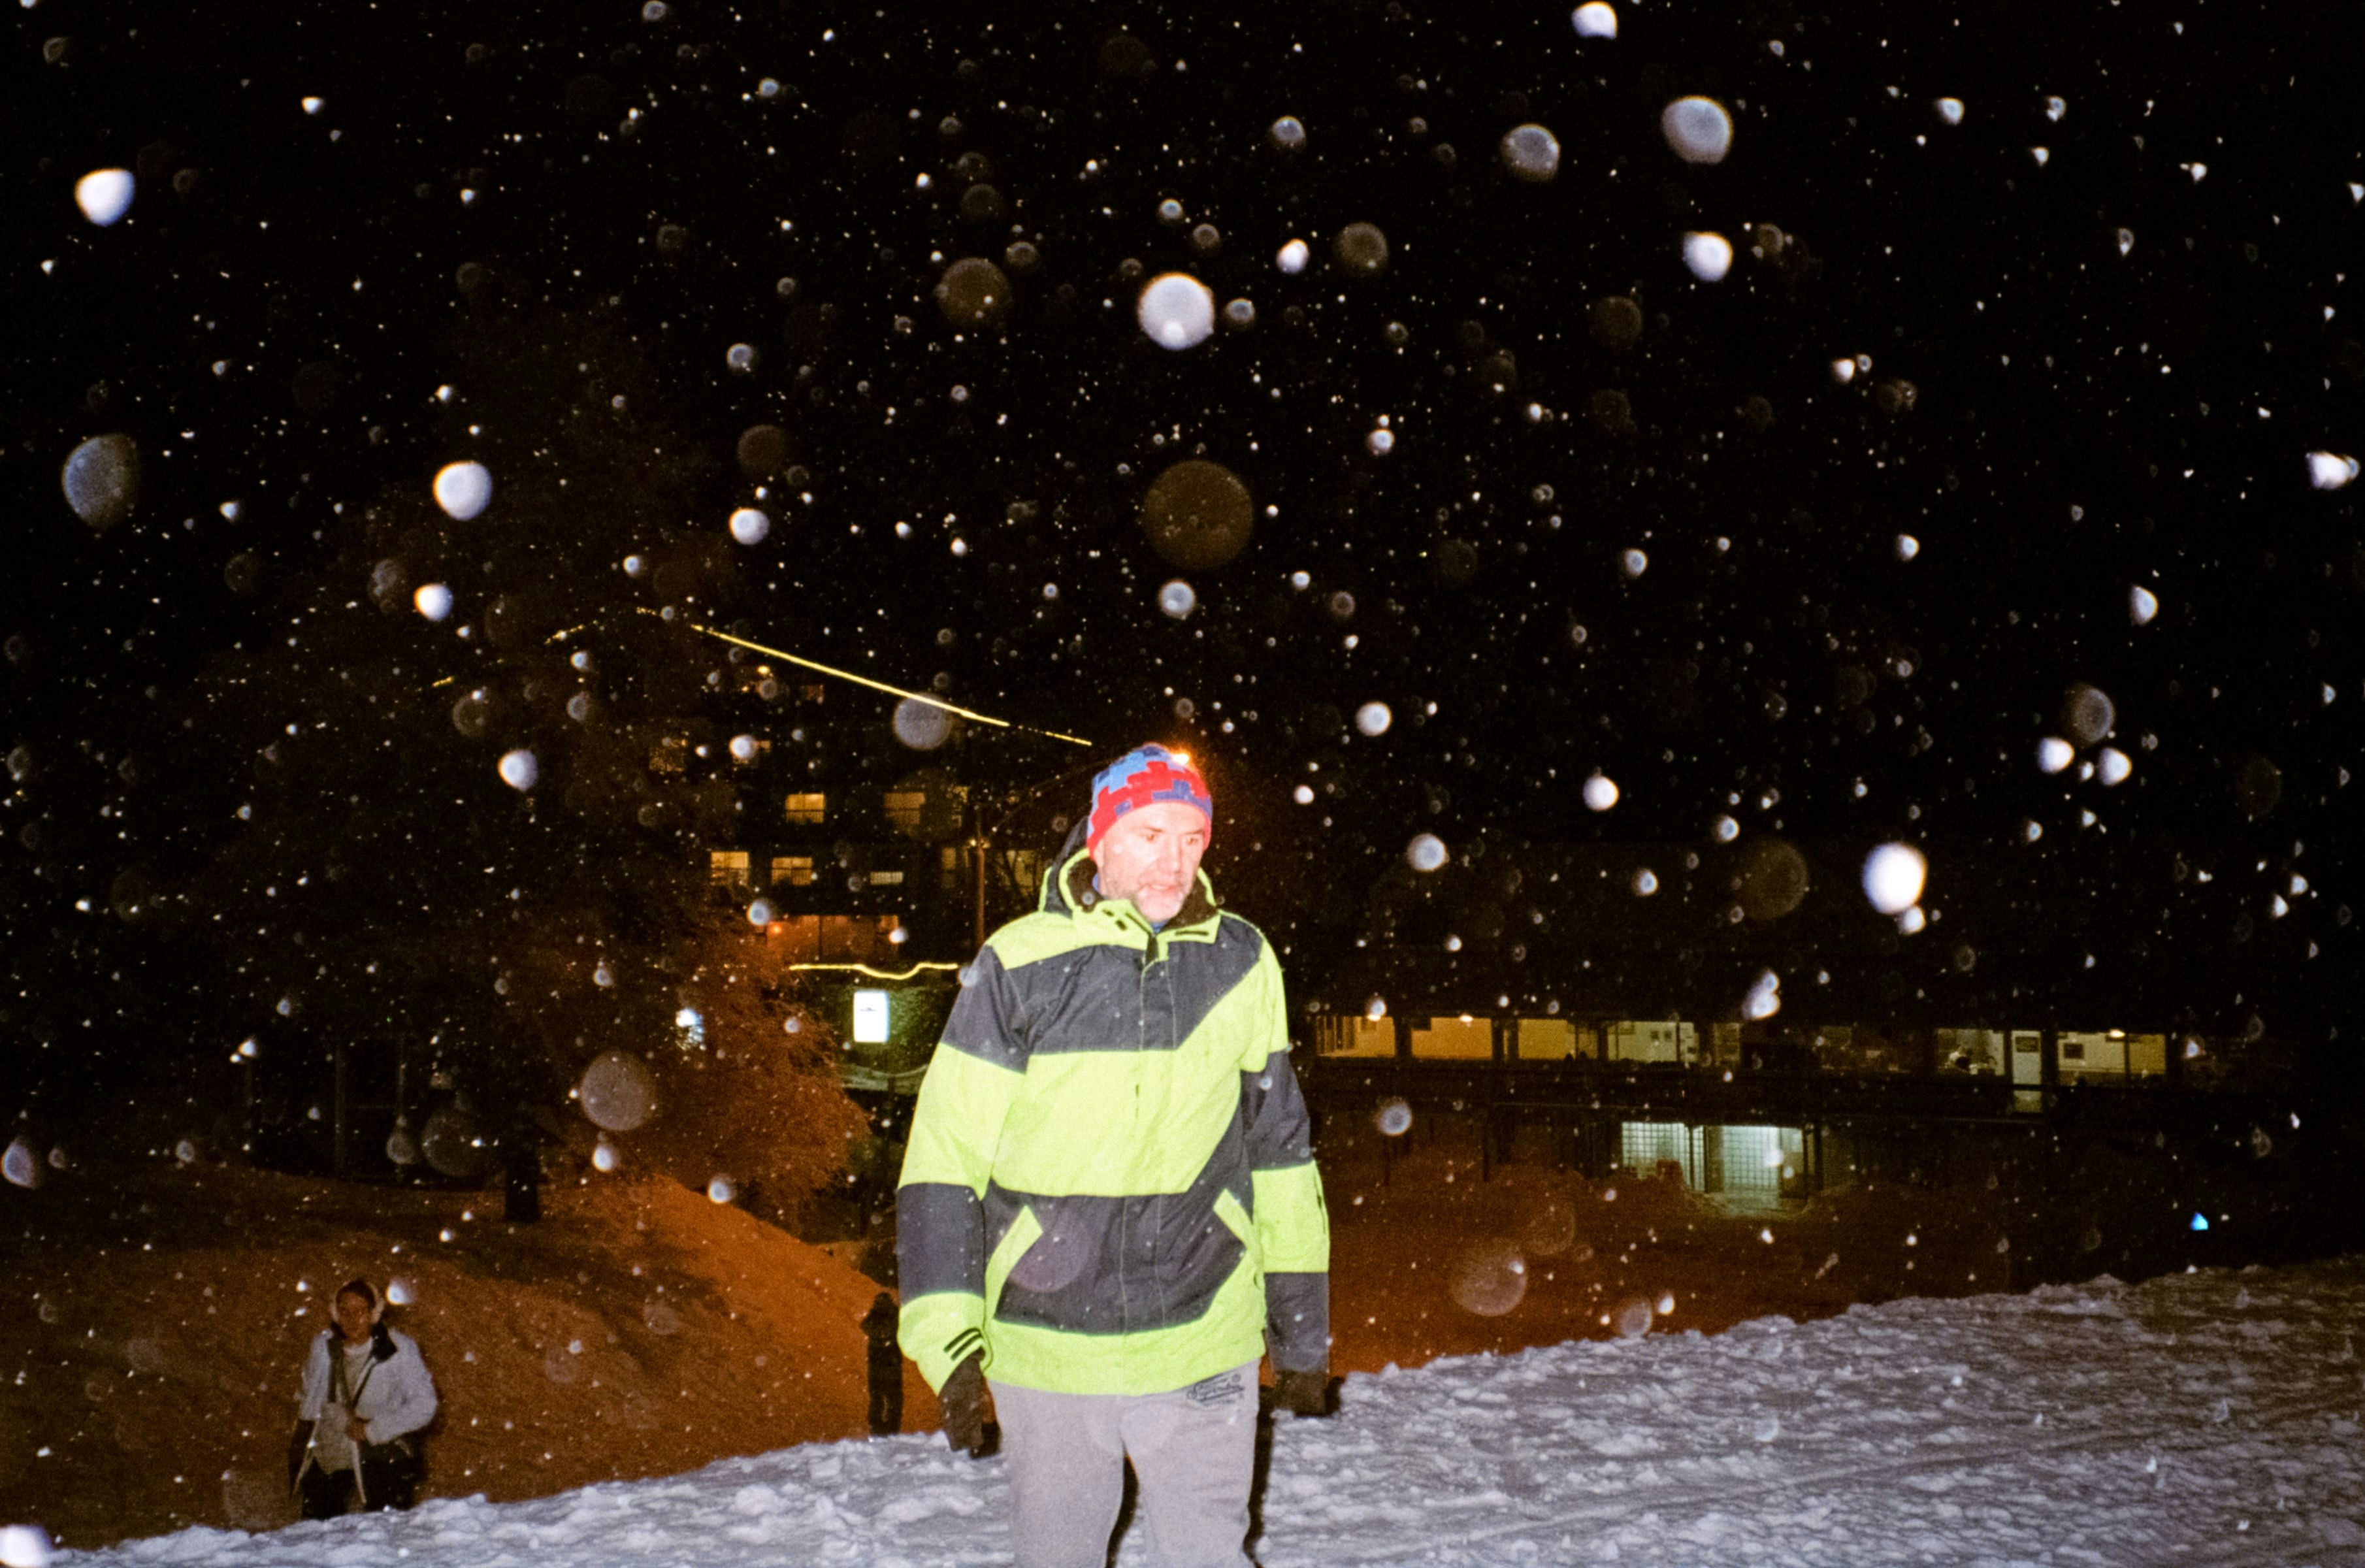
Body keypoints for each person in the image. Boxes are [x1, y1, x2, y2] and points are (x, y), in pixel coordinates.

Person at [898, 744, 1331, 1568]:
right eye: (1150, 834)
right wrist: (946, 1340)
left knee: (1208, 1556)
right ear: (1099, 843)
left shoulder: (1241, 958)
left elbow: (1279, 1150)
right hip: (1047, 1344)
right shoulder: (1018, 965)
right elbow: (943, 1160)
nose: (1174, 860)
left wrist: (1301, 1331)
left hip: (1205, 1335)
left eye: (1193, 838)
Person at [287, 1277, 438, 1519]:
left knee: (382, 1530)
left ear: (374, 1312)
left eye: (360, 1311)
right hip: (331, 1452)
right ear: (336, 1313)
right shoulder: (324, 1348)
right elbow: (309, 1398)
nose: (352, 1319)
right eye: (344, 1311)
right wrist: (307, 1441)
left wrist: (374, 1430)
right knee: (318, 1533)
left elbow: (425, 1405)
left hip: (380, 1457)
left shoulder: (397, 1350)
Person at [861, 1290, 904, 1436]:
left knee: (877, 1399)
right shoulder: (896, 1318)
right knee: (894, 1399)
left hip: (876, 1367)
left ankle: (877, 1428)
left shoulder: (872, 1320)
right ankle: (892, 1428)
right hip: (893, 1366)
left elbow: (865, 1326)